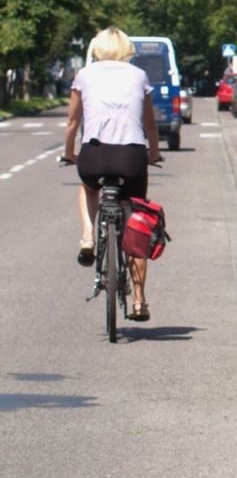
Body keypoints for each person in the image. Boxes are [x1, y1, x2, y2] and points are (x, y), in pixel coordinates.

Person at [63, 27, 163, 322]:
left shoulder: (84, 75)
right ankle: (140, 301)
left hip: (94, 154)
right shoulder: (138, 76)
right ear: (126, 49)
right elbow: (150, 124)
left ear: (97, 48)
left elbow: (72, 122)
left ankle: (87, 237)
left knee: (88, 186)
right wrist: (153, 153)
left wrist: (70, 154)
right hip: (132, 157)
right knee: (136, 221)